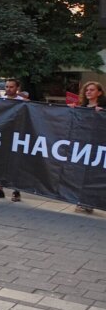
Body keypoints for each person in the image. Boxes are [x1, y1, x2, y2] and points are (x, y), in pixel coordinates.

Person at [71, 81, 104, 213]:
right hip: (84, 145)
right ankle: (82, 201)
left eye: (92, 90)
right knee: (83, 174)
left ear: (99, 93)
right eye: (87, 90)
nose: (88, 92)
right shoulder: (82, 107)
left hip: (99, 146)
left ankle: (90, 202)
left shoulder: (103, 108)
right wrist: (72, 111)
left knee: (95, 175)